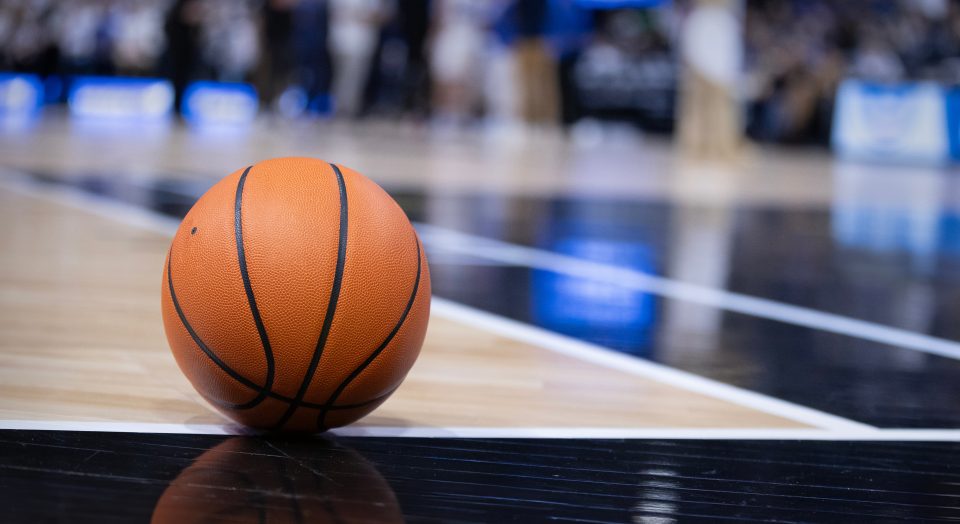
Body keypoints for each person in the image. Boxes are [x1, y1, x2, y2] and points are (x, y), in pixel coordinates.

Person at [328, 0, 391, 118]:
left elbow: (381, 15)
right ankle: (342, 111)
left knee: (356, 78)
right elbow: (337, 13)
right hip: (342, 40)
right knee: (344, 78)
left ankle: (348, 110)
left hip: (362, 42)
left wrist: (361, 16)